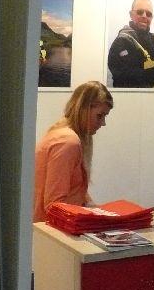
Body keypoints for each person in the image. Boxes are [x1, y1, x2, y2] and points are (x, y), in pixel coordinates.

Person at [33, 81, 113, 222]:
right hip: (52, 228)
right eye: (99, 116)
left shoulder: (62, 134)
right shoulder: (68, 141)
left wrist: (99, 212)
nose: (103, 123)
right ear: (83, 109)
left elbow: (76, 190)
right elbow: (53, 205)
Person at [107, 0, 154, 88]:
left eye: (148, 14)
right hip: (132, 97)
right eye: (140, 12)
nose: (144, 16)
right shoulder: (121, 44)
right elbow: (127, 79)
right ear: (131, 14)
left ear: (152, 18)